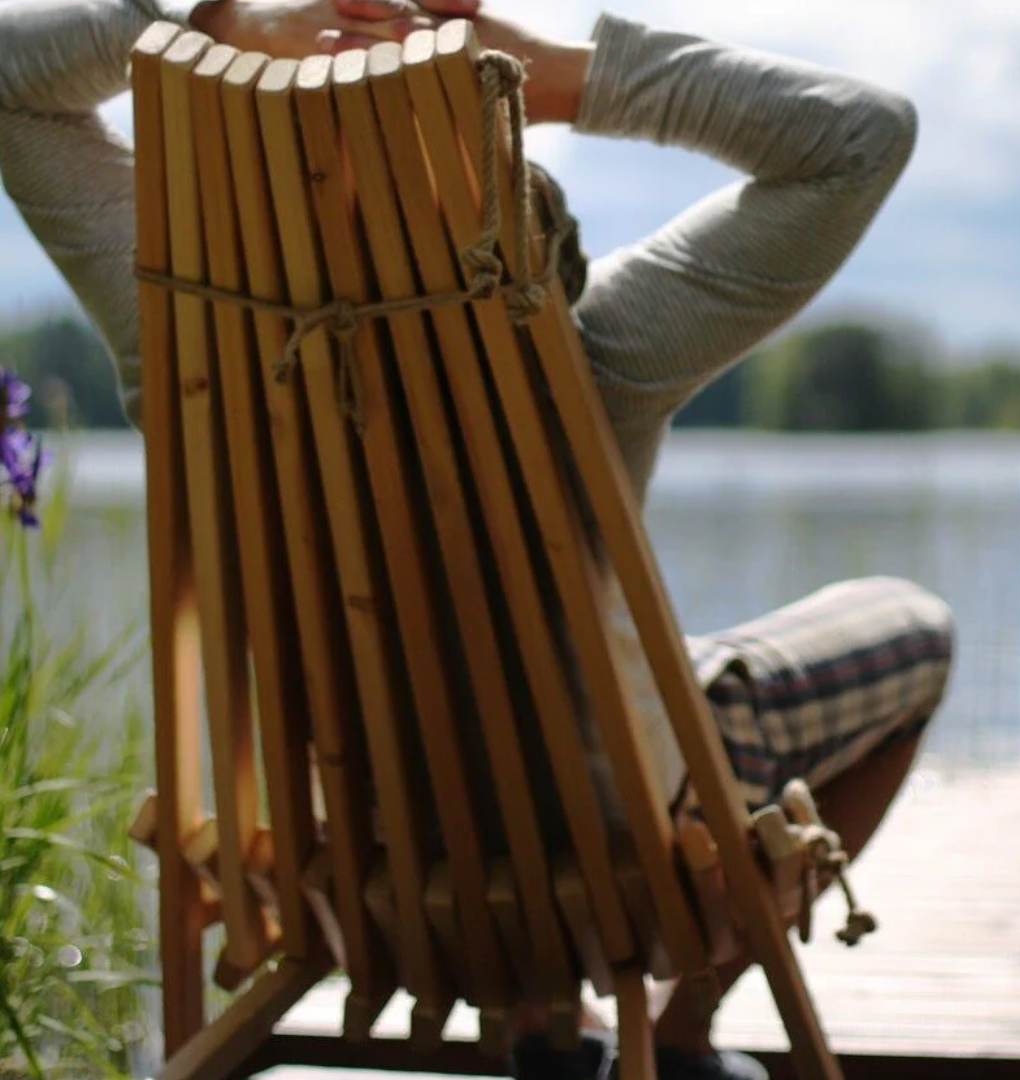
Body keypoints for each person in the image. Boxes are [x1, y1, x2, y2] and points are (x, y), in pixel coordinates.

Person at [0, 3, 954, 1079]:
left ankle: (554, 1025)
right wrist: (561, 74)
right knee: (913, 629)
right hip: (627, 844)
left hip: (374, 845)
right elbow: (860, 136)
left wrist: (218, 22)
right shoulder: (590, 354)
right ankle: (683, 1031)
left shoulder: (180, 324)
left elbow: (9, 79)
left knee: (530, 693)